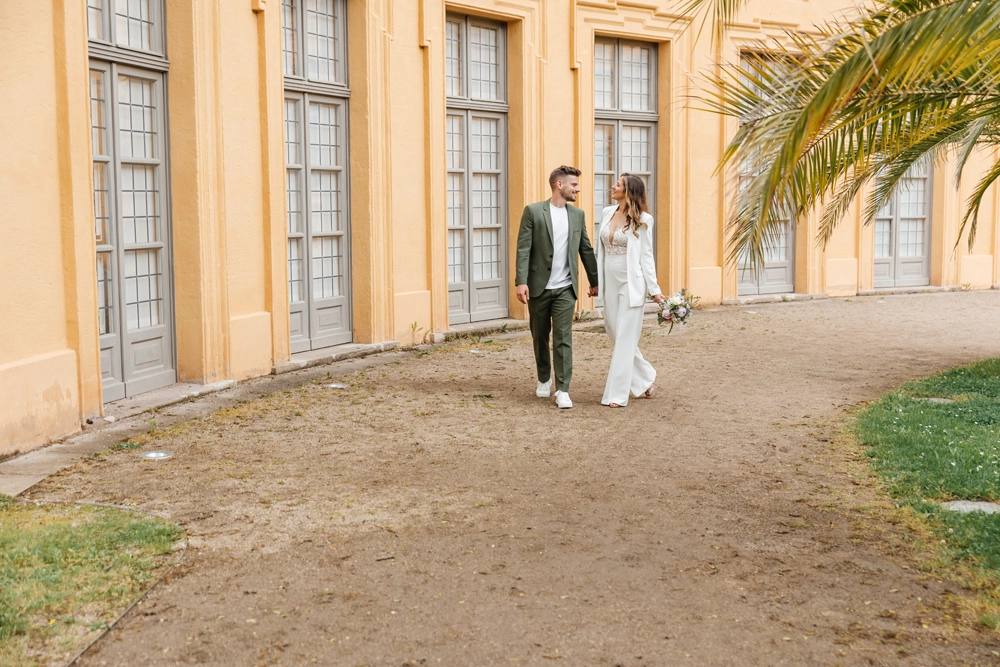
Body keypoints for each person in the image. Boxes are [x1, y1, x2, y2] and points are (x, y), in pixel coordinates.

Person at [515, 165, 599, 409]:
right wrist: (521, 281)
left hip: (565, 288)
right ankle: (544, 378)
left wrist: (594, 281)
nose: (578, 189)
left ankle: (563, 389)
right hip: (538, 286)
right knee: (539, 336)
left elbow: (585, 248)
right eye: (574, 185)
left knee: (563, 338)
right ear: (559, 185)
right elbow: (523, 248)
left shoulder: (577, 215)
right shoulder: (533, 211)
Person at [595, 173, 665, 408]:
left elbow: (646, 256)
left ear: (629, 191)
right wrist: (596, 282)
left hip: (631, 282)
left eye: (618, 184)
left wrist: (655, 290)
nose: (613, 186)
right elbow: (600, 252)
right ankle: (645, 378)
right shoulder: (607, 213)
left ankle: (616, 394)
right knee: (615, 333)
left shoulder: (644, 219)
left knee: (625, 338)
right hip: (610, 280)